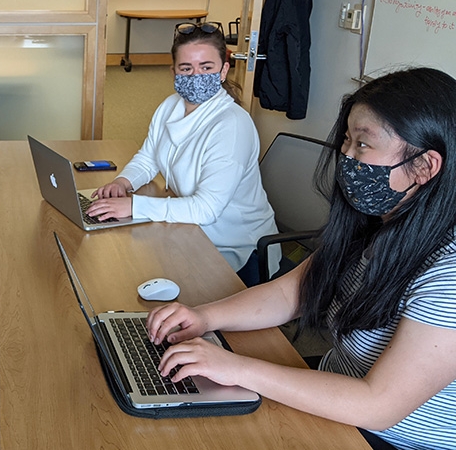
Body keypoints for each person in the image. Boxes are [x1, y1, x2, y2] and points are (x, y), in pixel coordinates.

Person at [146, 68, 456, 450]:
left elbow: (380, 405)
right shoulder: (377, 221)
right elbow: (292, 292)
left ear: (424, 167)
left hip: (387, 436)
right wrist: (204, 317)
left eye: (362, 145)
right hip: (335, 400)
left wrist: (237, 368)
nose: (346, 156)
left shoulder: (448, 274)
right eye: (346, 141)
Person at [87, 22, 279, 286]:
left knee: (133, 275)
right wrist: (123, 183)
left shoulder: (232, 125)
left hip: (233, 248)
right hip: (188, 230)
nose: (195, 76)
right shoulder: (170, 106)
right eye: (186, 68)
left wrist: (135, 205)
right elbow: (149, 156)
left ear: (223, 70)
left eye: (206, 67)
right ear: (173, 72)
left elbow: (206, 209)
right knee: (120, 262)